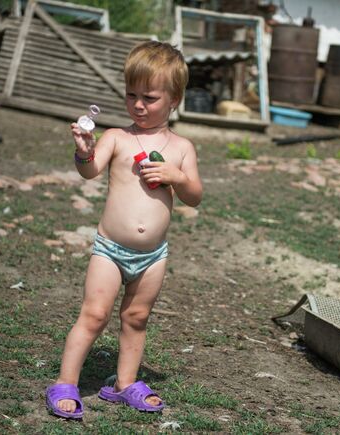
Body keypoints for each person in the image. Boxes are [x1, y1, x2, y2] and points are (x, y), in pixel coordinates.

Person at [45, 41, 202, 419]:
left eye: (149, 97)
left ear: (174, 99)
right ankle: (65, 382)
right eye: (131, 95)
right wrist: (84, 149)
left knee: (136, 318)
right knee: (95, 315)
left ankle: (124, 383)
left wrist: (176, 176)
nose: (138, 105)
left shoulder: (181, 148)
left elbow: (194, 196)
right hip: (111, 249)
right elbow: (89, 170)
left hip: (153, 256)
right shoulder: (117, 137)